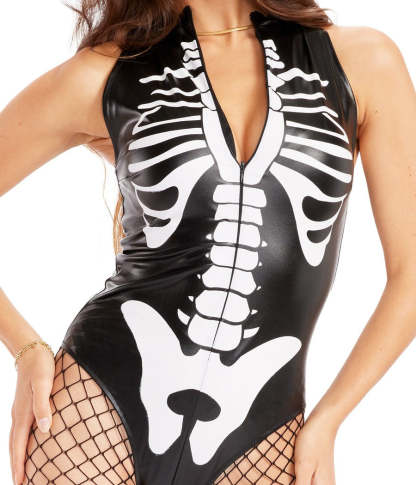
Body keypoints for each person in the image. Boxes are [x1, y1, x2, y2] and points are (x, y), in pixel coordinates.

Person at [1, 0, 415, 484]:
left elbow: (410, 273)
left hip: (263, 438)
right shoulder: (106, 74)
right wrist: (25, 347)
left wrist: (329, 420)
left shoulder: (362, 61)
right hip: (96, 410)